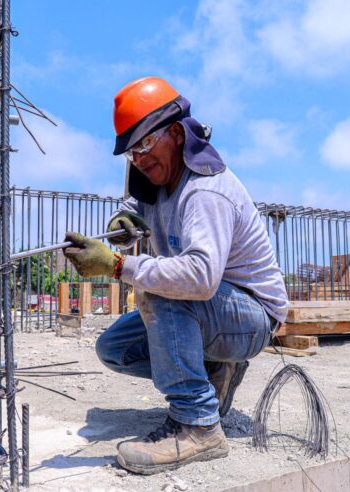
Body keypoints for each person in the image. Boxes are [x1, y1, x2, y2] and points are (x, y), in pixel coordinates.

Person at [63, 76, 288, 475]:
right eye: (132, 152)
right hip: (215, 313)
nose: (140, 158)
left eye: (146, 144)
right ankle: (215, 369)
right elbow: (169, 258)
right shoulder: (161, 188)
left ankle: (197, 425)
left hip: (252, 318)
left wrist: (118, 265)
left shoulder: (205, 190)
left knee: (156, 293)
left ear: (178, 134)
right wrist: (131, 228)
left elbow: (199, 277)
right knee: (115, 348)